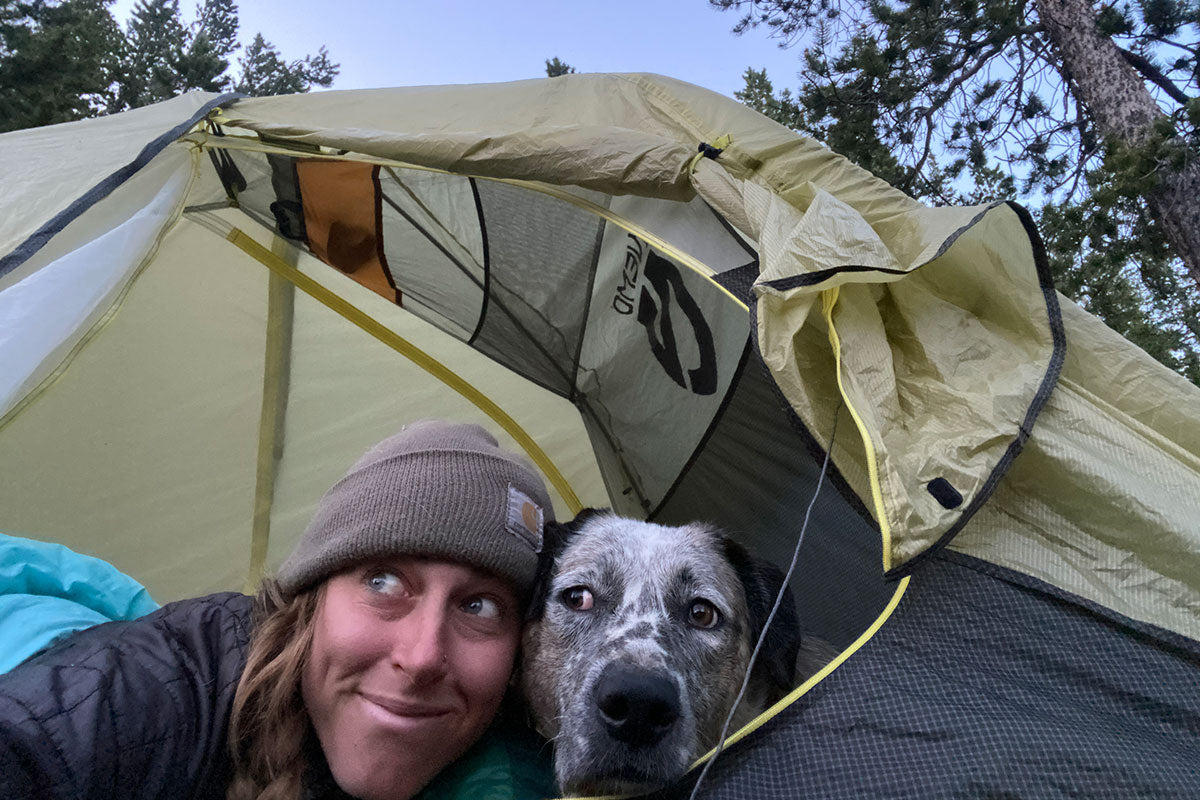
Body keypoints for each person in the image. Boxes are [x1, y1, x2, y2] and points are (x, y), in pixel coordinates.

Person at [0, 420, 555, 800]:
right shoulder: (159, 691)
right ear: (310, 599)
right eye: (383, 582)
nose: (422, 656)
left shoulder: (521, 754)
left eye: (480, 607)